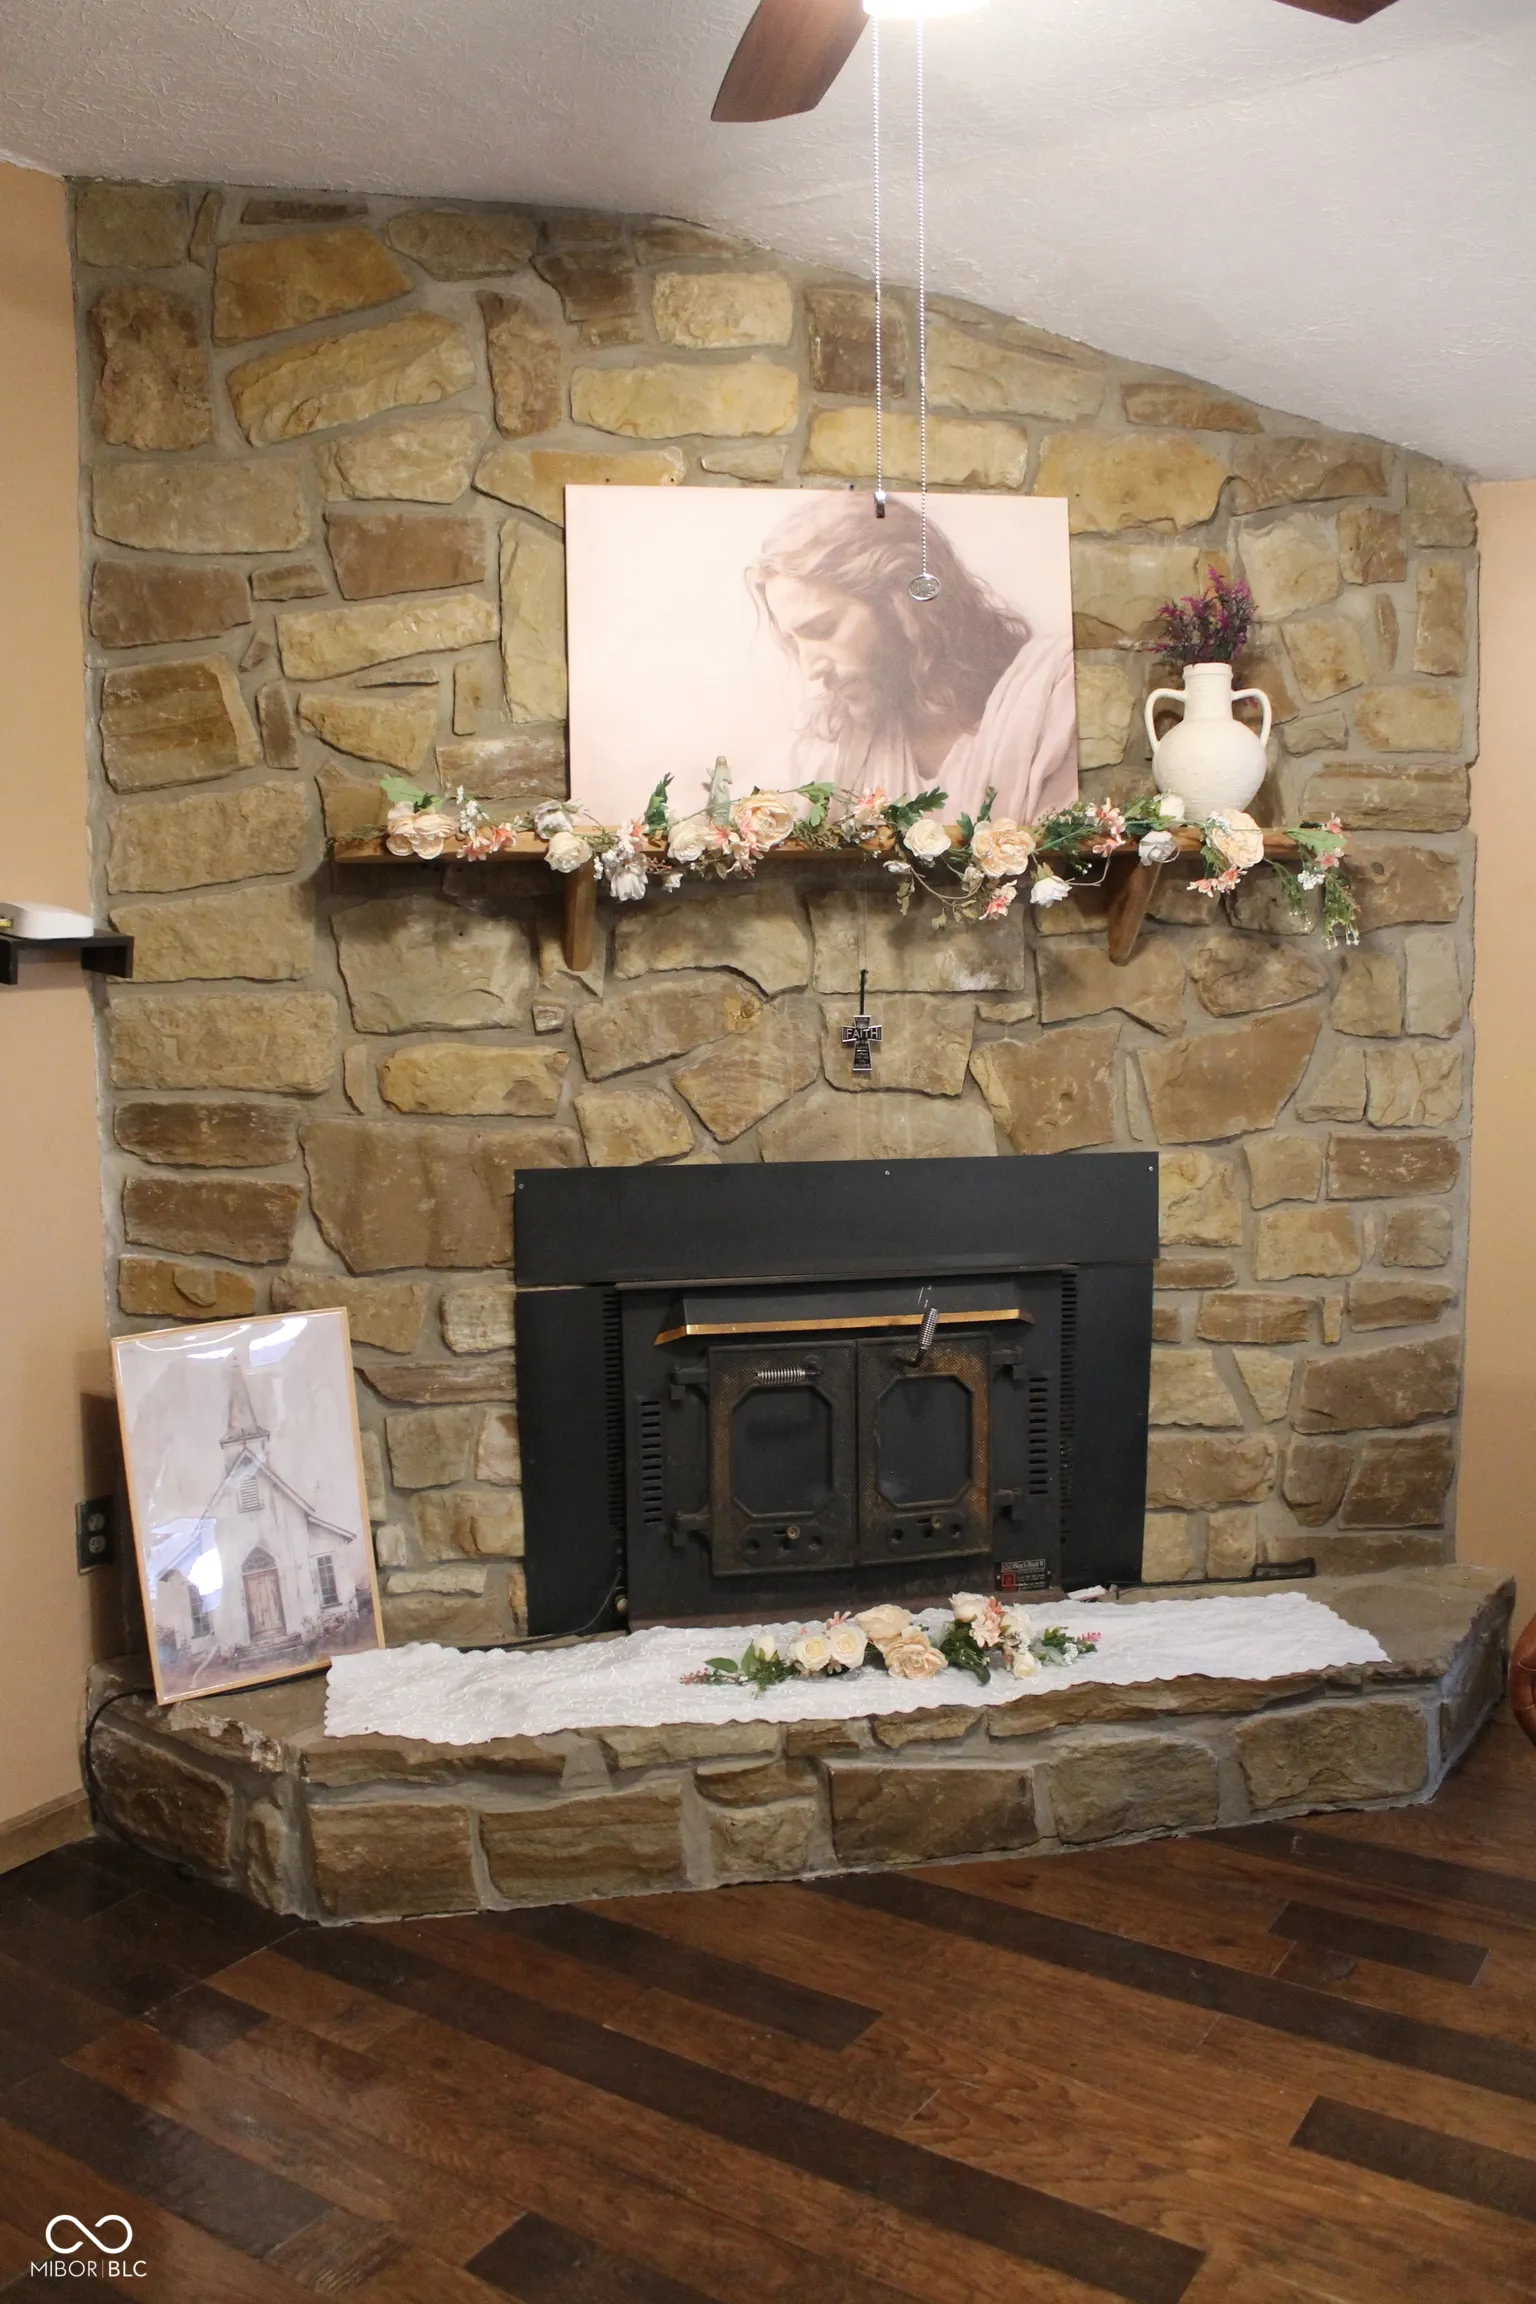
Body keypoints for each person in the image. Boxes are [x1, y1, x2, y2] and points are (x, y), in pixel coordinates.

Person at [746, 492, 1078, 820]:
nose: (810, 669)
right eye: (794, 644)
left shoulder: (1049, 691)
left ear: (899, 601)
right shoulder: (835, 747)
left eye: (823, 629)